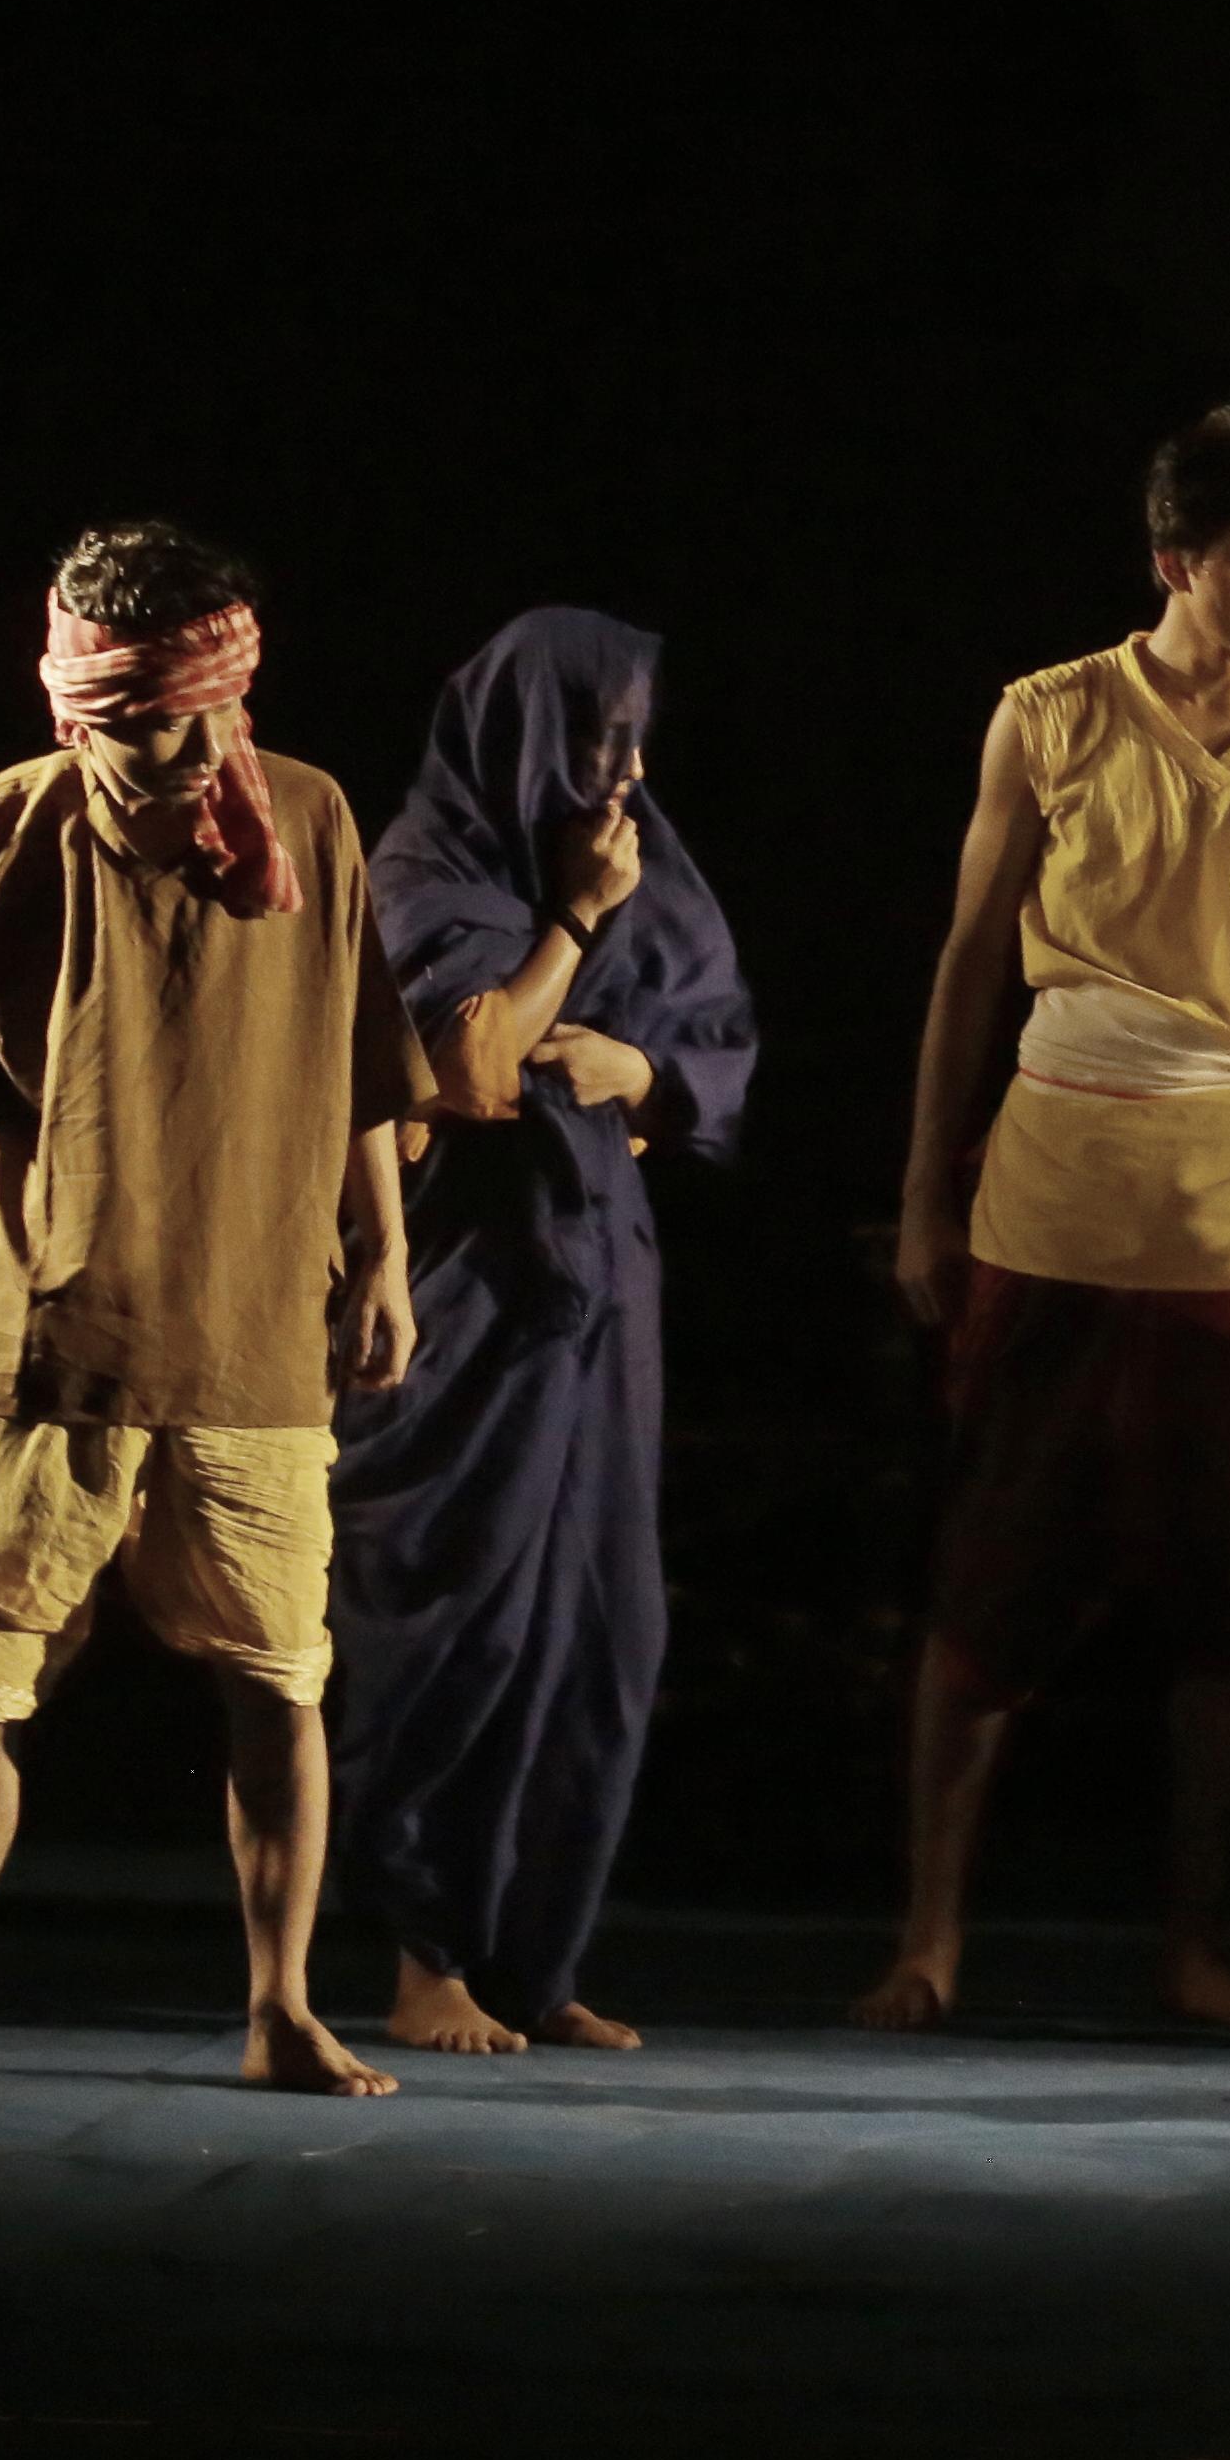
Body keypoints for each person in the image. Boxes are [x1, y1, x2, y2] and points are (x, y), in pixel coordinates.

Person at [0, 521, 433, 2098]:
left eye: (199, 715)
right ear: (75, 701)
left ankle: (281, 2004)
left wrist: (383, 1255)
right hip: (51, 1327)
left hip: (255, 1314)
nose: (175, 751)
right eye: (137, 723)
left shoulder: (304, 813)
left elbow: (361, 1058)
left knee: (279, 1677)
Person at [861, 405, 1230, 2033]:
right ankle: (928, 1933)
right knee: (994, 1564)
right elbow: (972, 954)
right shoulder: (1052, 716)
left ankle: (1193, 1938)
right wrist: (925, 1186)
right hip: (1058, 1190)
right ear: (1174, 561)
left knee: (1228, 1592)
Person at [328, 608, 759, 2057]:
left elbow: (704, 1049)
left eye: (633, 736)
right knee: (458, 1608)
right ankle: (422, 1954)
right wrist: (569, 928)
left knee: (598, 1626)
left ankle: (534, 1954)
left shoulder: (647, 858)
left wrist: (639, 1070)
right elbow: (468, 1068)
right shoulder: (422, 869)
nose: (618, 770)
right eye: (591, 736)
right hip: (465, 1280)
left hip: (597, 1284)